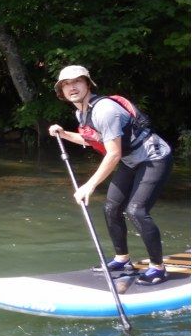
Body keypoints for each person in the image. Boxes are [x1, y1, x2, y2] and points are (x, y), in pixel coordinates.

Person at [48, 65, 173, 285]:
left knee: (136, 210)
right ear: (62, 92)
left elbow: (113, 154)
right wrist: (64, 133)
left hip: (154, 157)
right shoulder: (82, 112)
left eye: (77, 81)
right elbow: (93, 139)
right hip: (130, 160)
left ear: (88, 84)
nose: (72, 87)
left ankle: (158, 268)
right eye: (66, 84)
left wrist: (89, 185)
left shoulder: (105, 110)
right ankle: (122, 259)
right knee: (111, 207)